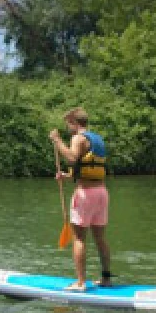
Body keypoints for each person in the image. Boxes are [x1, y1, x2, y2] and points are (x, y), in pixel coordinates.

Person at [49, 107, 113, 291]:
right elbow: (87, 166)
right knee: (100, 238)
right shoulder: (97, 139)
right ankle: (106, 278)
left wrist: (57, 140)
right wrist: (67, 176)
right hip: (101, 192)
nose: (67, 127)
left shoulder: (78, 138)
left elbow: (71, 158)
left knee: (79, 238)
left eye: (68, 123)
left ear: (74, 122)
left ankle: (80, 283)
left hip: (85, 194)